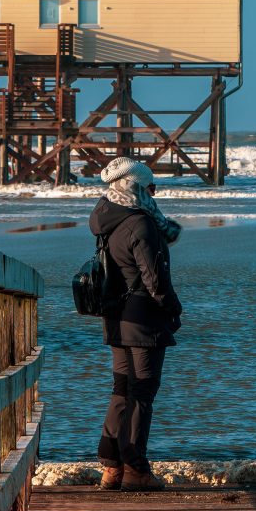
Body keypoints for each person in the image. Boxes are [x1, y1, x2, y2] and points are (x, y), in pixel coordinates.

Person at [90, 157, 183, 492]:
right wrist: (174, 309)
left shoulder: (107, 218)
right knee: (141, 393)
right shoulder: (140, 224)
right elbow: (155, 282)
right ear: (137, 188)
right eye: (150, 186)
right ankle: (136, 469)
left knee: (122, 389)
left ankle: (111, 468)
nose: (155, 192)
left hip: (115, 317)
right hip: (143, 321)